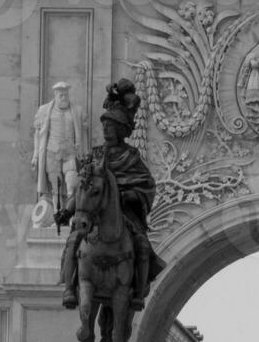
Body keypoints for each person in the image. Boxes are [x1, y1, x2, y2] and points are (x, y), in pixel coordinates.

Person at [56, 80, 165, 310]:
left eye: (111, 126)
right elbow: (82, 187)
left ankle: (137, 292)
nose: (106, 130)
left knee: (142, 246)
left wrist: (131, 196)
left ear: (121, 129)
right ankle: (68, 287)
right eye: (105, 126)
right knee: (73, 241)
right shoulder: (94, 156)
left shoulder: (131, 156)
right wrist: (67, 209)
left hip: (123, 212)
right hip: (92, 213)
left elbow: (146, 184)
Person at [32, 81, 83, 224]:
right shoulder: (44, 110)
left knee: (72, 184)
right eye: (61, 94)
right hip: (51, 152)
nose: (63, 96)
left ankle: (72, 215)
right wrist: (36, 155)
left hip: (70, 153)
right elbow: (38, 135)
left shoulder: (77, 111)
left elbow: (82, 134)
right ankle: (57, 216)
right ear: (55, 94)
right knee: (55, 188)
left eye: (66, 93)